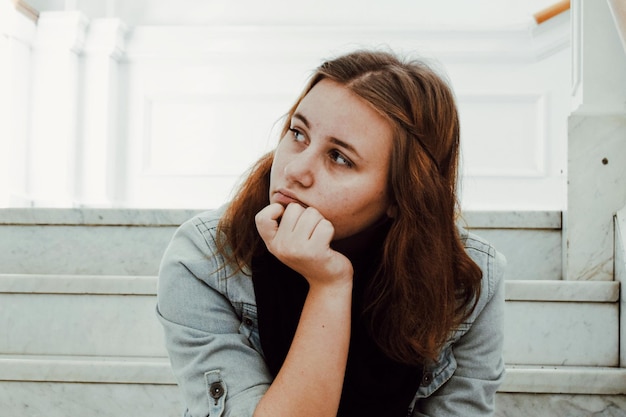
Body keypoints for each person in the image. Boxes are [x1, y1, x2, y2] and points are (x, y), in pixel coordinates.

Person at [156, 49, 506, 417]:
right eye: (298, 133)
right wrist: (329, 286)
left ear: (401, 194)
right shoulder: (204, 259)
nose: (295, 169)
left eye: (340, 157)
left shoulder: (467, 281)